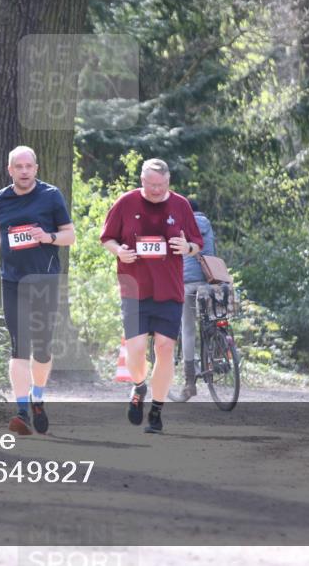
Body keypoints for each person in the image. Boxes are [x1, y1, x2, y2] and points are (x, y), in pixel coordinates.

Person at [100, 158, 202, 433]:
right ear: (142, 181)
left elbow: (196, 243)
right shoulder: (126, 203)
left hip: (169, 289)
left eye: (162, 185)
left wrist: (187, 247)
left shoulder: (180, 205)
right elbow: (107, 238)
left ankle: (156, 410)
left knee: (164, 349)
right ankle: (139, 386)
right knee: (135, 351)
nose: (157, 190)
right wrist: (119, 251)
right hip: (134, 289)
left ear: (168, 182)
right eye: (151, 185)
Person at [0, 146, 75, 435]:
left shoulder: (51, 196)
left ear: (36, 168)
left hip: (44, 281)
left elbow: (70, 235)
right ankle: (21, 410)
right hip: (12, 281)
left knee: (42, 348)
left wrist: (48, 236)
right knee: (18, 346)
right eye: (18, 167)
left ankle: (38, 398)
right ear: (10, 170)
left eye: (28, 166)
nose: (24, 171)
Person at [169, 198, 217, 402]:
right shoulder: (208, 225)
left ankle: (190, 383)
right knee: (211, 319)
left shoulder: (180, 226)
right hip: (210, 282)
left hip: (187, 283)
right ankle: (217, 348)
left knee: (187, 329)